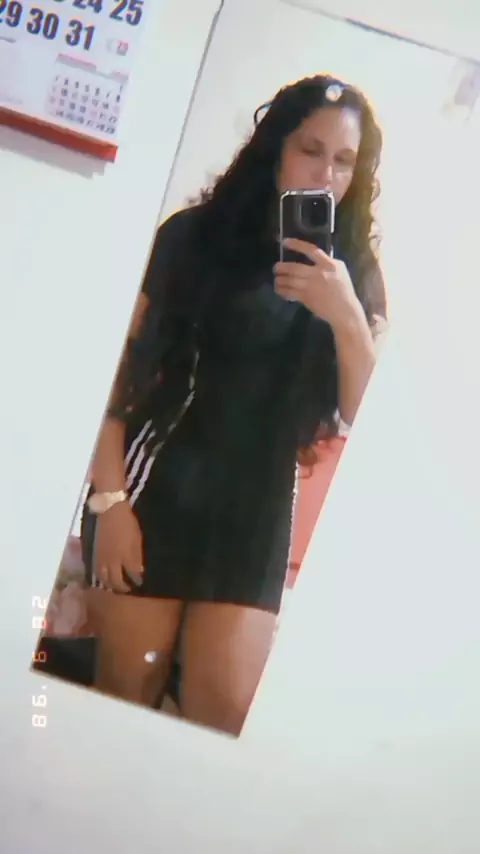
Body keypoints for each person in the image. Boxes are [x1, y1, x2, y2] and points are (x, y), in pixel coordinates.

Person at [81, 74, 387, 736]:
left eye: (343, 161)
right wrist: (108, 501)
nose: (325, 174)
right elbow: (116, 370)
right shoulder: (193, 236)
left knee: (220, 718)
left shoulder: (354, 273)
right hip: (153, 488)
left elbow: (366, 419)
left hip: (256, 509)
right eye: (310, 149)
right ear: (276, 148)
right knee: (120, 706)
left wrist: (344, 315)